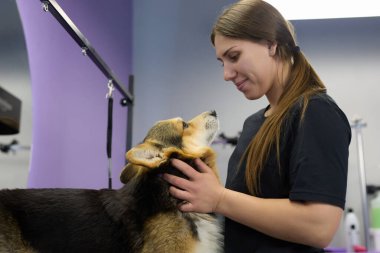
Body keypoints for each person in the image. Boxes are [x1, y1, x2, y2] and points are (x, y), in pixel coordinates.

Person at [163, 0, 352, 252]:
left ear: (271, 44)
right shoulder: (253, 124)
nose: (227, 74)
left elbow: (319, 226)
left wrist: (219, 198)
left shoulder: (315, 112)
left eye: (234, 56)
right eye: (223, 62)